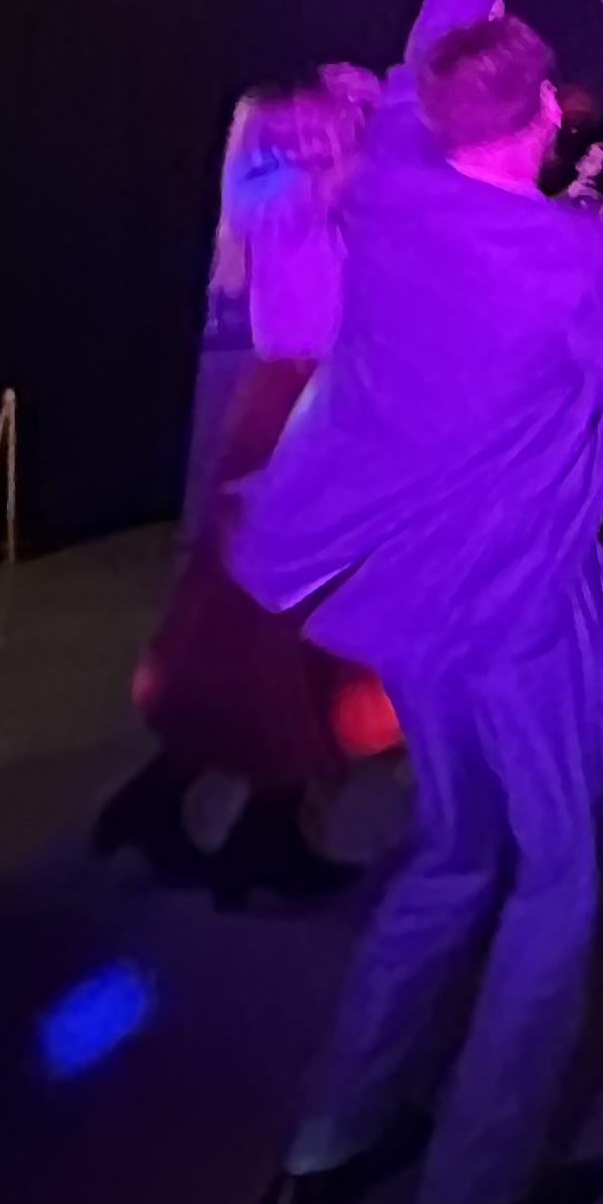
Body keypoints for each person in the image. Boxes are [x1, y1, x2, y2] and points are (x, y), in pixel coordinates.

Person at [226, 0, 603, 1204]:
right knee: (557, 877)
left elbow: (436, 25)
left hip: (405, 613)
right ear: (551, 112)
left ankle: (325, 1152)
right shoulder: (568, 259)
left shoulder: (392, 177)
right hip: (521, 620)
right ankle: (471, 1194)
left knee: (452, 857)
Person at [103, 73, 379, 905]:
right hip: (298, 417)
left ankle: (181, 806)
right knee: (289, 629)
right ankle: (258, 831)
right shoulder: (281, 193)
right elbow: (369, 177)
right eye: (314, 122)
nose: (330, 131)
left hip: (309, 411)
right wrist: (386, 105)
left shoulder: (288, 195)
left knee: (269, 630)